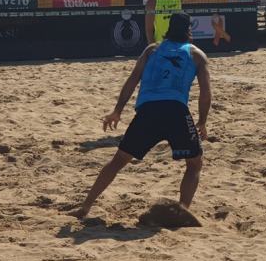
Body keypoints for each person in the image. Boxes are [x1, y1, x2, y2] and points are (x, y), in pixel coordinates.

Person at [69, 12, 212, 219]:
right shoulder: (197, 55)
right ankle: (183, 210)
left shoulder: (152, 50)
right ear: (189, 30)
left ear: (168, 29)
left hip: (147, 112)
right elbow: (206, 93)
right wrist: (202, 121)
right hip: (176, 112)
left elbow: (132, 80)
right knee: (194, 163)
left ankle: (85, 207)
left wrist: (117, 110)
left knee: (118, 160)